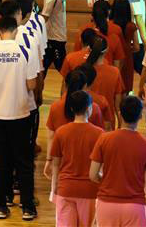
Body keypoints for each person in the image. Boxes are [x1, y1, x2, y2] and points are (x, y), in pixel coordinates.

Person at [0, 15, 39, 220]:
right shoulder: (24, 50)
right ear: (15, 31)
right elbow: (32, 85)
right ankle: (27, 206)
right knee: (23, 161)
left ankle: (1, 205)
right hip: (20, 114)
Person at [89, 95, 146, 226]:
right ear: (140, 116)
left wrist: (106, 182)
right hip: (135, 206)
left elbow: (92, 175)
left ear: (120, 114)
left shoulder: (104, 139)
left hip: (106, 205)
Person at [49, 90, 103, 227]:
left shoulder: (61, 132)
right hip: (90, 190)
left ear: (72, 108)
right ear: (89, 108)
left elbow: (56, 164)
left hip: (65, 188)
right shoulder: (99, 134)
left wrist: (54, 186)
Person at [36, 0, 67, 72]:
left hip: (54, 39)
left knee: (62, 70)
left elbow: (44, 17)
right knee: (42, 68)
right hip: (55, 37)